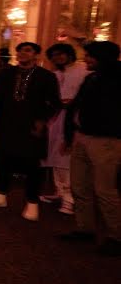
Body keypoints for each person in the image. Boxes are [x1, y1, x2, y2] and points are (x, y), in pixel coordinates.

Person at [0, 42, 61, 221]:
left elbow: (55, 103)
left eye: (27, 51)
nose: (21, 54)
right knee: (4, 161)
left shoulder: (46, 76)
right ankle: (0, 196)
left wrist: (42, 120)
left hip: (33, 127)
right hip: (7, 124)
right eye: (19, 51)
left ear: (36, 55)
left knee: (32, 165)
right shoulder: (6, 73)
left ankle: (32, 203)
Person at [60, 41, 121, 256]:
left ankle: (116, 236)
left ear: (103, 57)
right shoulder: (91, 77)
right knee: (79, 185)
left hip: (106, 140)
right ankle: (85, 228)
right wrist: (70, 135)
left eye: (90, 56)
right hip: (82, 136)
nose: (85, 59)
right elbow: (77, 106)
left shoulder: (117, 78)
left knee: (105, 189)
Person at [40, 43, 88, 214]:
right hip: (55, 119)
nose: (58, 58)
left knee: (65, 159)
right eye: (54, 55)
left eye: (61, 54)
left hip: (74, 120)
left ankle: (70, 200)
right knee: (53, 156)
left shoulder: (84, 71)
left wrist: (73, 103)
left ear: (69, 54)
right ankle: (59, 192)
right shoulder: (54, 74)